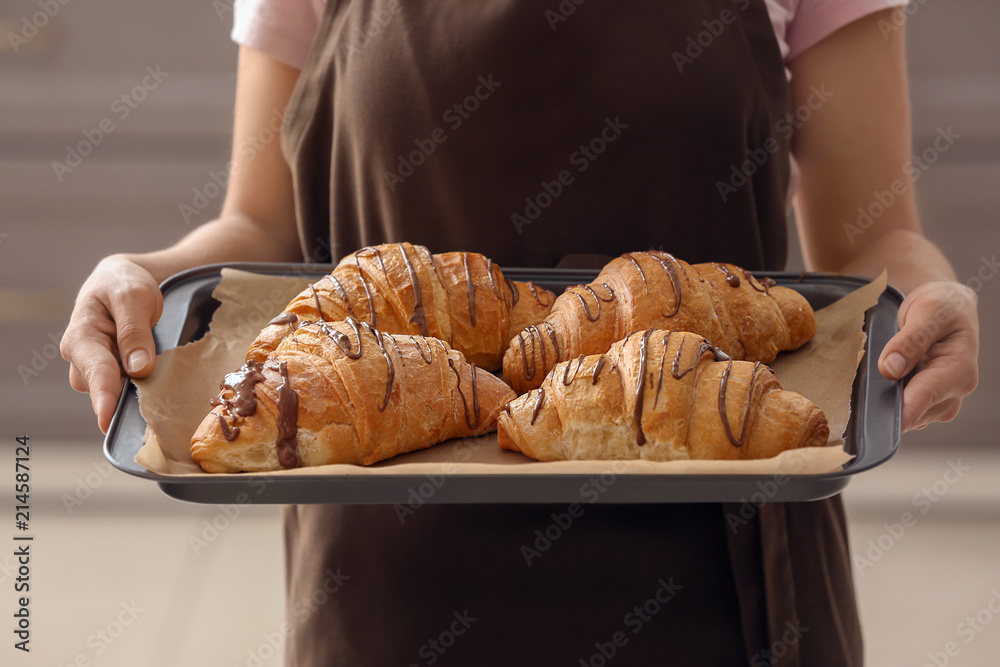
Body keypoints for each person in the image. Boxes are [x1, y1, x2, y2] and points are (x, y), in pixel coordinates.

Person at [61, 1, 980, 664]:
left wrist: (931, 291)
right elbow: (258, 233)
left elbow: (871, 234)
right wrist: (143, 272)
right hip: (388, 578)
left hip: (721, 576)